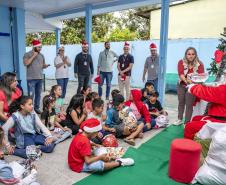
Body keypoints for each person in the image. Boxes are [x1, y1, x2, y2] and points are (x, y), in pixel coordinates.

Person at [68, 118, 134, 173]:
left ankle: (112, 157)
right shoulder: (85, 141)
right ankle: (119, 162)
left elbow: (86, 143)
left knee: (99, 150)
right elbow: (87, 161)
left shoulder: (81, 134)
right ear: (92, 131)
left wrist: (96, 144)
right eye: (96, 132)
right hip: (78, 165)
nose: (97, 134)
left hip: (76, 160)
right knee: (99, 165)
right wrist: (100, 157)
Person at [174, 47, 205, 125]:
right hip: (181, 85)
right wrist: (187, 81)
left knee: (189, 104)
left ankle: (187, 122)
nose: (191, 56)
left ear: (195, 55)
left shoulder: (200, 64)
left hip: (193, 87)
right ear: (186, 55)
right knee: (181, 102)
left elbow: (201, 76)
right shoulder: (181, 62)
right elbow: (181, 74)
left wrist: (193, 82)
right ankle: (179, 119)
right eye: (189, 54)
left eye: (193, 54)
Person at [23, 39, 50, 114]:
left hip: (40, 78)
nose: (40, 49)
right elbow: (26, 63)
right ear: (34, 47)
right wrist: (34, 56)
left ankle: (36, 108)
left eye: (41, 47)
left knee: (38, 94)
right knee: (31, 95)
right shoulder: (27, 54)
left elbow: (42, 66)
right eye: (39, 47)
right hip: (31, 79)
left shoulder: (41, 55)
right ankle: (29, 109)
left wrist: (45, 66)